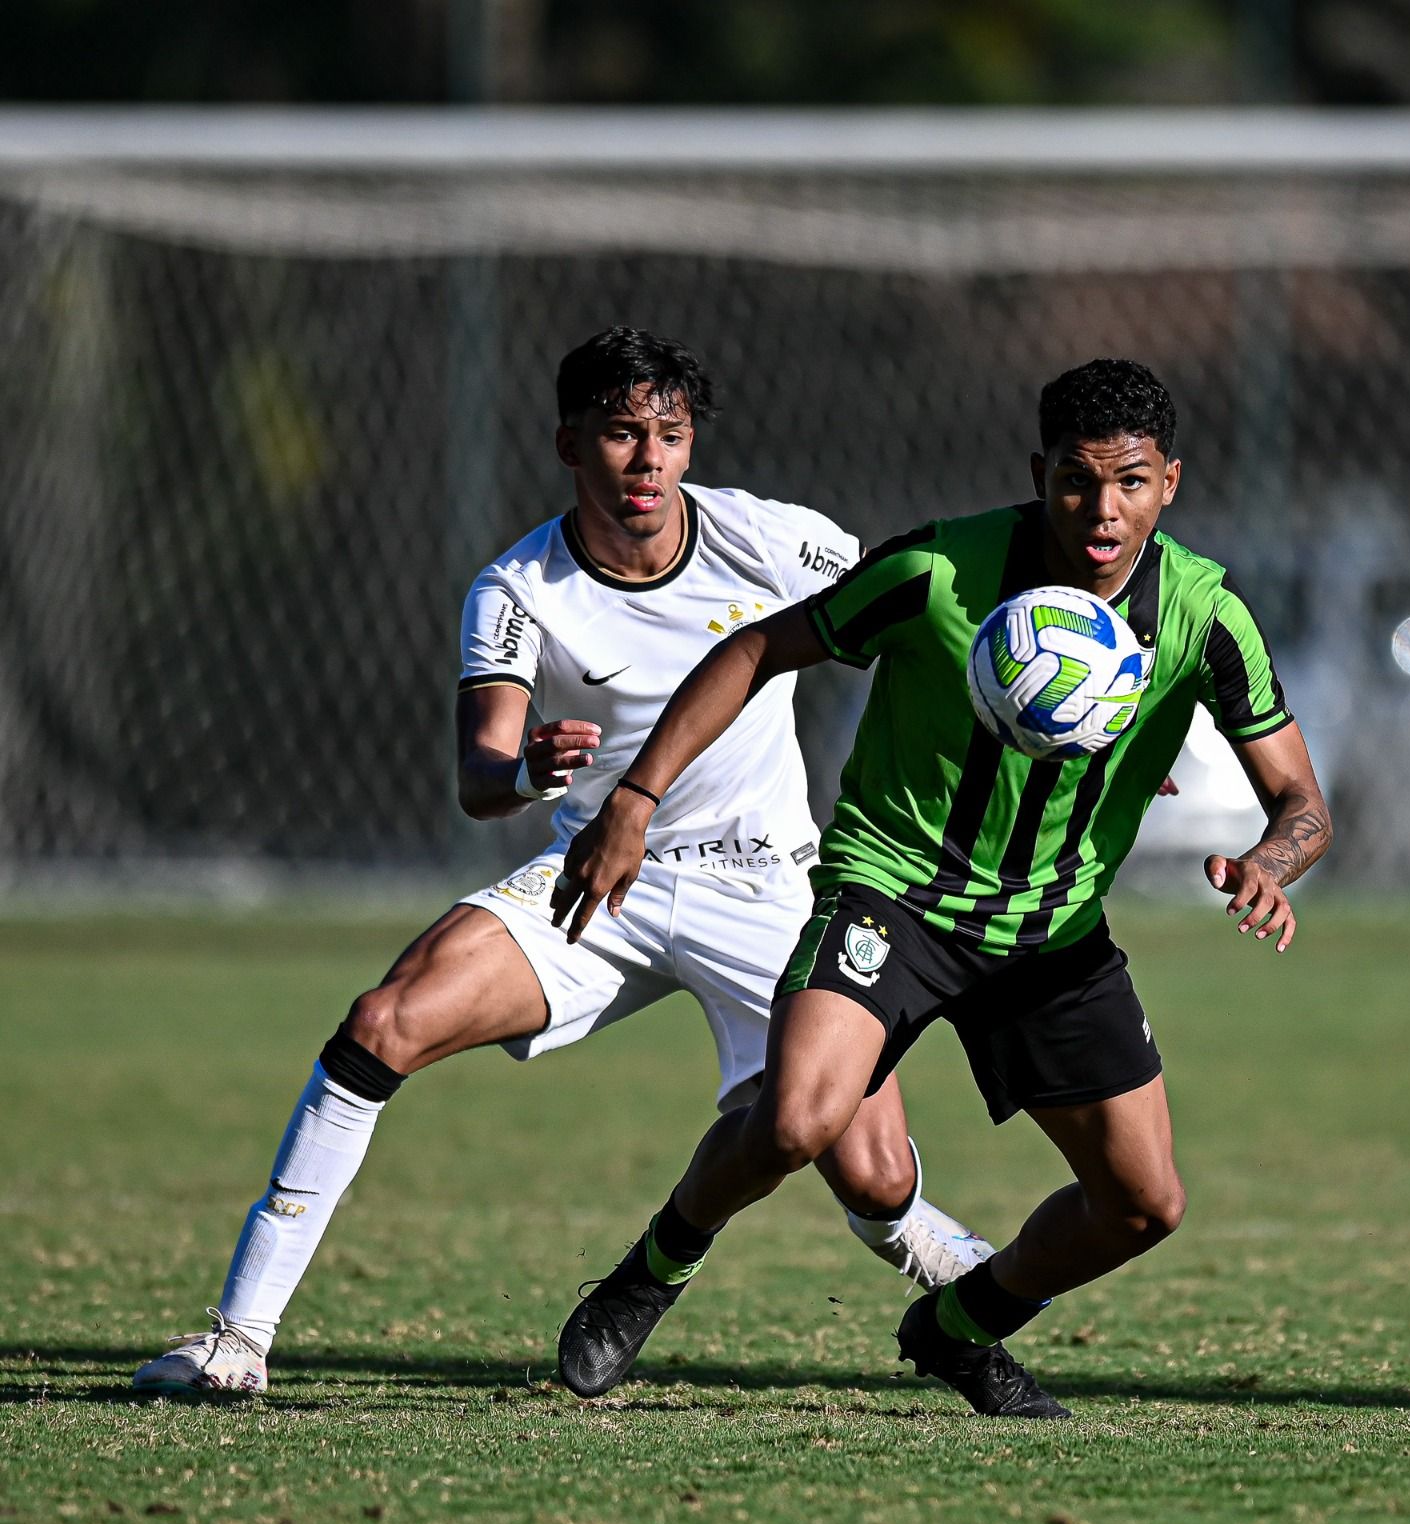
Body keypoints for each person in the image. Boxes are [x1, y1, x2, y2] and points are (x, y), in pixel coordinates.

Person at [131, 327, 991, 1398]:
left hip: (769, 880)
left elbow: (927, 606)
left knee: (873, 1174)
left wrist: (1049, 722)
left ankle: (980, 1285)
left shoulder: (775, 541)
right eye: (622, 436)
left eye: (669, 435)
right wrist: (532, 767)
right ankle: (237, 1339)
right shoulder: (517, 588)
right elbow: (479, 777)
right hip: (600, 882)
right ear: (568, 444)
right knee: (382, 1021)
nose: (648, 462)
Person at [550, 358, 1332, 1416]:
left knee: (1143, 1204)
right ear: (1038, 473)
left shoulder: (1203, 613)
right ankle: (653, 1268)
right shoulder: (937, 570)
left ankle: (962, 1325)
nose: (1101, 511)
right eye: (1075, 480)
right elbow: (753, 650)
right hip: (895, 895)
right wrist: (636, 799)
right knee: (794, 1121)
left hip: (1050, 932)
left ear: (1171, 483)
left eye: (1131, 483)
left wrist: (1266, 866)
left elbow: (1302, 802)